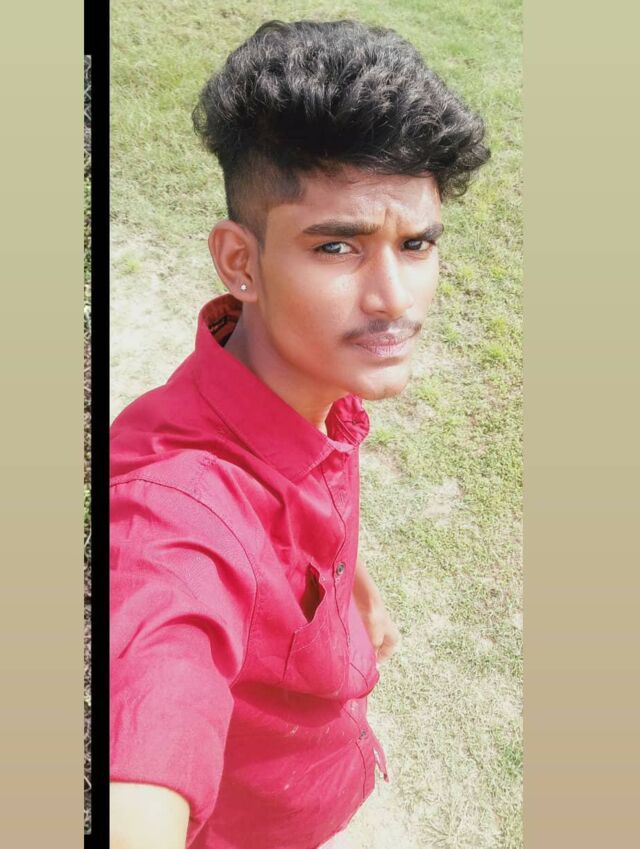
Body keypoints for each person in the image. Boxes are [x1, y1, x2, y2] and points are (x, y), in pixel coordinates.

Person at [109, 19, 489, 849]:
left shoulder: (309, 385)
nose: (395, 299)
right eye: (338, 246)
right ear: (239, 263)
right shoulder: (171, 513)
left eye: (416, 243)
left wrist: (352, 589)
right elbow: (146, 725)